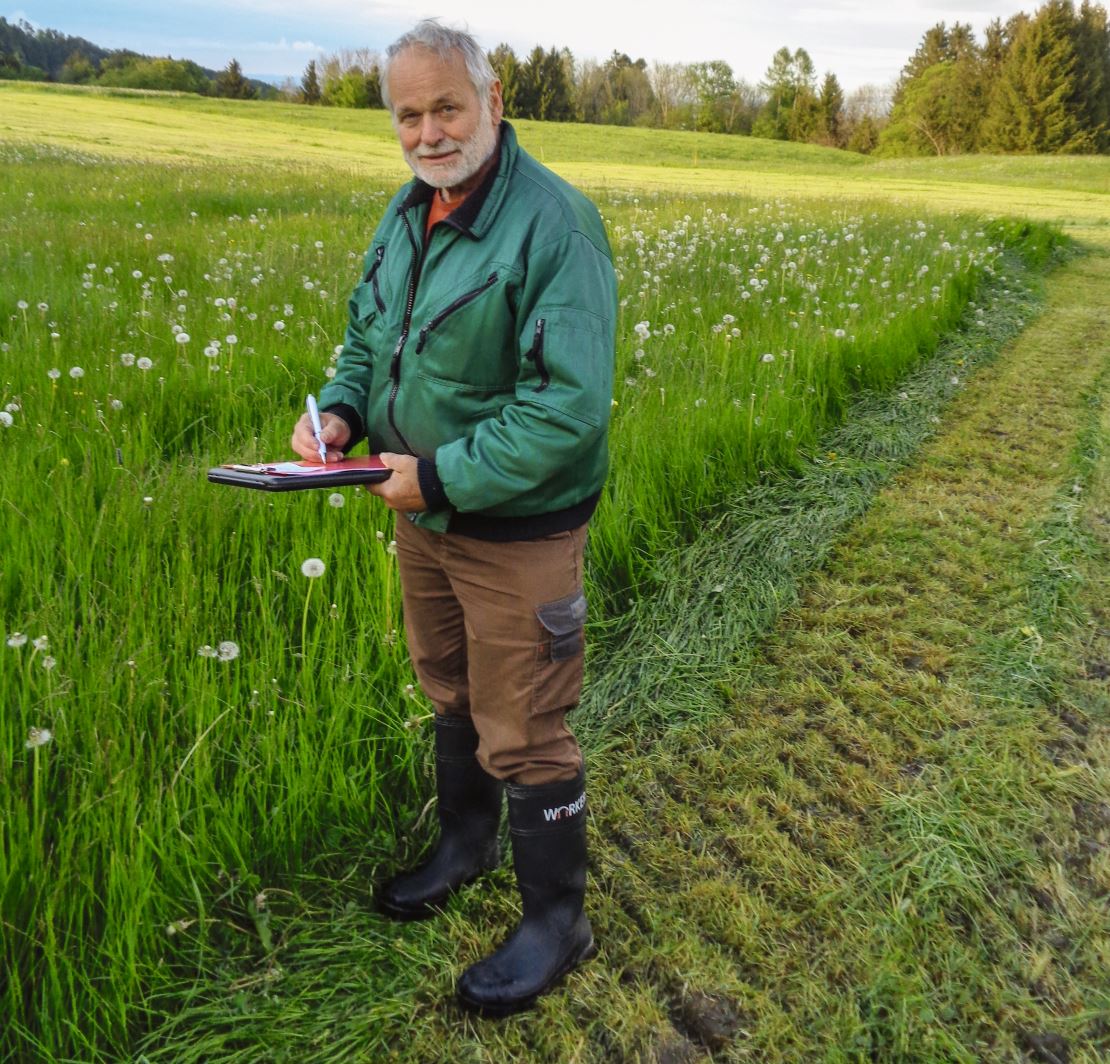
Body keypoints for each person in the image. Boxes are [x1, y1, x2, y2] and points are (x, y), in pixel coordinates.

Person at [290, 19, 617, 1016]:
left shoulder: (555, 225)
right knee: (450, 688)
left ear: (494, 101)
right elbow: (366, 341)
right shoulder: (407, 215)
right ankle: (465, 846)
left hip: (514, 527)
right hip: (422, 515)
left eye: (446, 107)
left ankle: (559, 919)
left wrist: (436, 477)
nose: (428, 132)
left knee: (527, 721)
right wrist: (341, 410)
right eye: (407, 114)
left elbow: (568, 409)